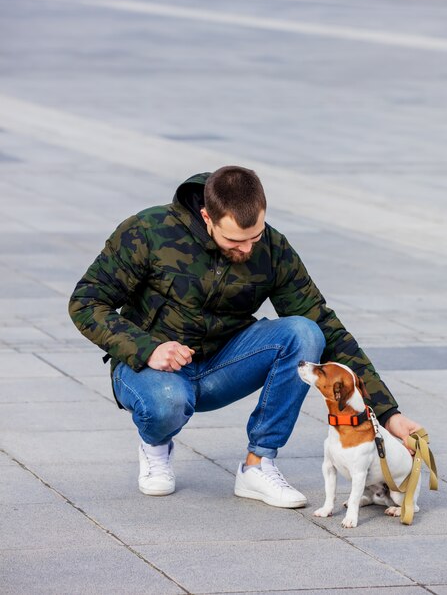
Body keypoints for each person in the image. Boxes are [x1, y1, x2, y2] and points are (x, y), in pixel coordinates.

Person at [69, 165, 421, 508]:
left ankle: (258, 464)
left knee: (304, 332)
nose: (248, 249)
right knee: (166, 402)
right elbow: (85, 303)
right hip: (150, 371)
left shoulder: (272, 248)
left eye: (255, 236)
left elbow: (326, 327)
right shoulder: (147, 231)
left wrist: (388, 412)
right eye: (235, 240)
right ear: (207, 217)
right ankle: (155, 443)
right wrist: (148, 348)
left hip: (223, 366)